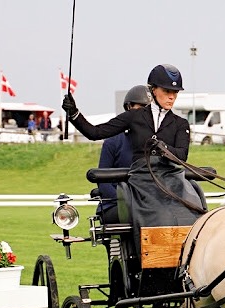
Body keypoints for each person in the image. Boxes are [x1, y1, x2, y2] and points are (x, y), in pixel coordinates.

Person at [62, 64, 204, 237]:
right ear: (153, 90)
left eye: (175, 93)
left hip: (172, 179)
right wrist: (74, 113)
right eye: (167, 92)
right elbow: (95, 133)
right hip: (142, 181)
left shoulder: (180, 124)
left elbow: (182, 155)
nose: (171, 97)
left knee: (194, 212)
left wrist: (163, 147)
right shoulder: (134, 117)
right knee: (156, 214)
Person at [97, 84, 152, 224]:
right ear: (129, 108)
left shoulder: (157, 142)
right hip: (115, 204)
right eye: (141, 108)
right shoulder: (113, 141)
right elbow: (103, 182)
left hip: (150, 206)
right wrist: (125, 201)